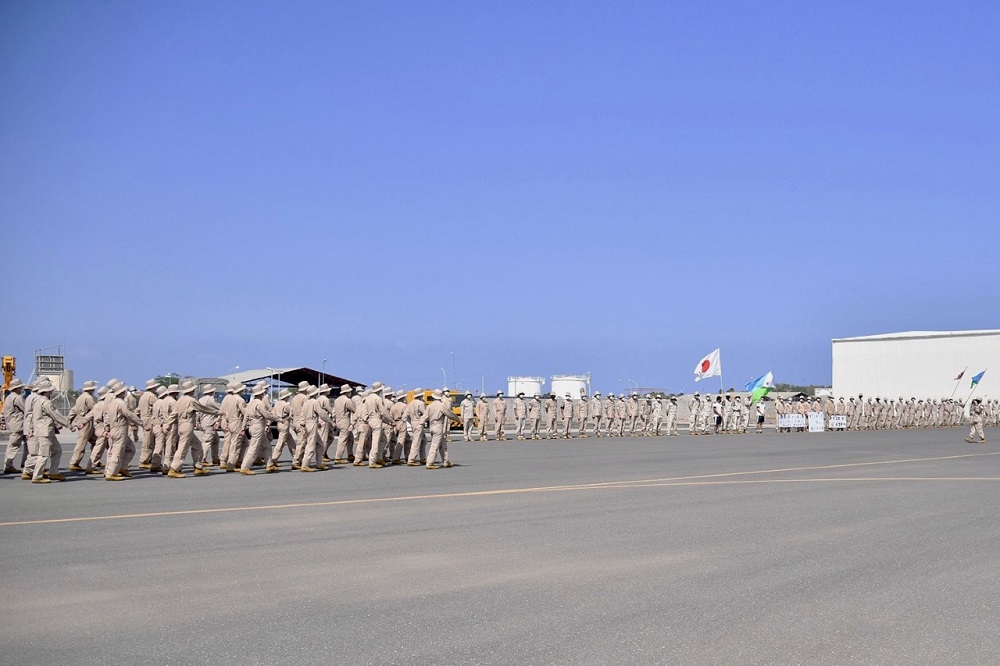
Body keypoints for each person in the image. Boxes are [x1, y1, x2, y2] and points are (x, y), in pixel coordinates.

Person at [170, 380, 219, 478]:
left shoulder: (180, 400)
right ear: (192, 390)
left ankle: (198, 467)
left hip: (181, 425)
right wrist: (217, 412)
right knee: (183, 448)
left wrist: (167, 424)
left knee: (198, 446)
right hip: (187, 425)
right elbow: (203, 409)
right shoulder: (191, 400)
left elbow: (174, 414)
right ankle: (174, 469)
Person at [30, 382, 70, 483]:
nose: (52, 391)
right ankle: (37, 476)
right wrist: (69, 424)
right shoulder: (46, 403)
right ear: (47, 391)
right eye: (51, 389)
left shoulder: (37, 401)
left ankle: (53, 472)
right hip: (45, 431)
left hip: (46, 431)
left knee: (57, 450)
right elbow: (56, 415)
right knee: (43, 454)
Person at [104, 382, 142, 480]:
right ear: (122, 392)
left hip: (113, 429)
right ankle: (111, 473)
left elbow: (107, 417)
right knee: (117, 452)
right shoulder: (121, 403)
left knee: (129, 449)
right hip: (120, 429)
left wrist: (107, 429)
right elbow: (129, 414)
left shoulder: (111, 403)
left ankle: (121, 468)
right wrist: (141, 423)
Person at [237, 383, 276, 476]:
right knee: (253, 448)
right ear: (261, 393)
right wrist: (278, 418)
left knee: (267, 446)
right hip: (258, 426)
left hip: (252, 427)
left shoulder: (251, 403)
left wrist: (243, 427)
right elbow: (267, 414)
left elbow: (246, 416)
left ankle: (269, 464)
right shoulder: (260, 403)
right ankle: (245, 467)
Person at [67, 380, 98, 471]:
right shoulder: (89, 398)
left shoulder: (80, 397)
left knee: (96, 442)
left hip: (82, 420)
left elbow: (74, 410)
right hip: (87, 421)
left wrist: (70, 420)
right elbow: (95, 409)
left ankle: (94, 459)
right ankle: (74, 462)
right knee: (82, 442)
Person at [425, 390, 461, 469]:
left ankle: (445, 461)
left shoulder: (429, 406)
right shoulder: (441, 405)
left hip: (431, 426)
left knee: (443, 443)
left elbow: (425, 417)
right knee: (435, 445)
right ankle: (430, 462)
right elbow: (449, 414)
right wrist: (458, 419)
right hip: (438, 426)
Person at [2, 378, 27, 473]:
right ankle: (9, 466)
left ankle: (26, 463)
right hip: (18, 424)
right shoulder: (18, 398)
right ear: (17, 388)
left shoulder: (8, 398)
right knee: (14, 446)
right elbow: (26, 409)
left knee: (27, 444)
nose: (21, 389)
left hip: (12, 424)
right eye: (20, 387)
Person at [267, 388, 294, 471]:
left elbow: (272, 415)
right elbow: (292, 414)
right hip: (284, 422)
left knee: (291, 441)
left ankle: (296, 456)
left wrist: (268, 423)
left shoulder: (277, 404)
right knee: (281, 443)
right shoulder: (286, 405)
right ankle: (274, 459)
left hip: (279, 423)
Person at [136, 379, 160, 468]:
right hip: (149, 418)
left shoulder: (143, 396)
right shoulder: (152, 396)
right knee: (149, 441)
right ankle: (144, 460)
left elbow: (138, 410)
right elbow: (158, 407)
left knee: (148, 440)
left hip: (143, 417)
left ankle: (146, 459)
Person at [332, 384, 357, 464]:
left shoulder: (336, 400)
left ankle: (350, 454)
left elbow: (334, 411)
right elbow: (354, 410)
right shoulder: (347, 400)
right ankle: (338, 457)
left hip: (338, 419)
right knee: (343, 440)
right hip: (345, 420)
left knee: (350, 438)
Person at [199, 384, 221, 466]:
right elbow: (219, 408)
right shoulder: (211, 399)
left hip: (204, 421)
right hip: (210, 421)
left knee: (215, 440)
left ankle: (215, 458)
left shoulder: (201, 399)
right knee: (207, 441)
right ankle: (203, 458)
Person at [405, 388, 427, 465]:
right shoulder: (420, 403)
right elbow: (425, 413)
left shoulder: (410, 403)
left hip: (413, 421)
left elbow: (405, 414)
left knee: (423, 440)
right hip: (419, 421)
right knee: (417, 441)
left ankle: (423, 457)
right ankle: (411, 459)